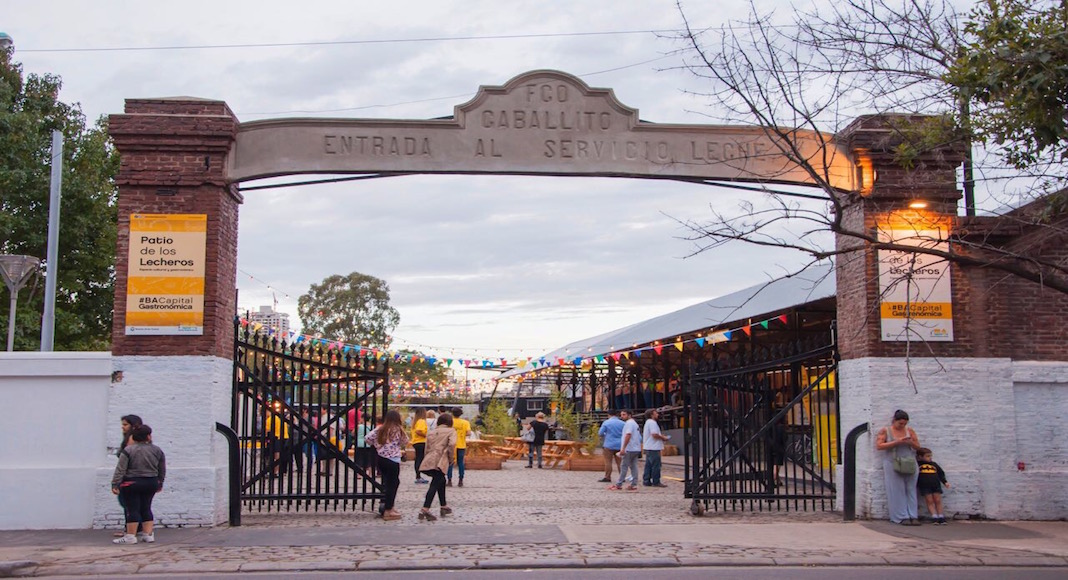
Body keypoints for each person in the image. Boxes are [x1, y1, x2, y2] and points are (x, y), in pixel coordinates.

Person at [111, 425, 165, 544]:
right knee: (146, 507)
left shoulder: (129, 450)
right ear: (148, 436)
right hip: (151, 482)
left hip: (132, 482)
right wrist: (160, 482)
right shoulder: (157, 450)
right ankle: (148, 534)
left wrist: (115, 484)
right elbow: (162, 469)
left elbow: (121, 469)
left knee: (132, 508)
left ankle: (131, 536)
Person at [875, 409, 922, 525]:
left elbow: (918, 447)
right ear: (894, 421)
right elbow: (879, 446)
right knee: (896, 489)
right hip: (892, 462)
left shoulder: (909, 431)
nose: (902, 426)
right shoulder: (885, 431)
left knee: (911, 488)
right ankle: (900, 516)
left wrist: (910, 442)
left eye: (905, 423)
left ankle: (913, 515)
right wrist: (897, 442)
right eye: (900, 423)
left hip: (909, 461)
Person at [365, 410, 409, 521]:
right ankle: (388, 509)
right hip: (393, 459)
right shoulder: (398, 429)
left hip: (381, 458)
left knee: (387, 482)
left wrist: (377, 445)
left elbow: (367, 438)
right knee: (392, 484)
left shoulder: (380, 428)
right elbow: (405, 441)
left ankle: (388, 505)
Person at [418, 413, 457, 521]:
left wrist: (426, 458)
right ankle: (425, 509)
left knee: (441, 481)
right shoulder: (451, 431)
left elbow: (427, 447)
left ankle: (443, 505)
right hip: (441, 459)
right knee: (435, 483)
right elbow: (452, 444)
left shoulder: (431, 431)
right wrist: (451, 458)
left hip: (430, 458)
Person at [113, 414, 143, 538]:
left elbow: (125, 457)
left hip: (129, 476)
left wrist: (116, 481)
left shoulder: (131, 439)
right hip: (137, 476)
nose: (123, 427)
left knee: (128, 503)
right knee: (135, 504)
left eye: (125, 425)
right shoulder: (141, 440)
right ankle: (136, 528)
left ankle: (132, 529)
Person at [917, 447, 950, 524]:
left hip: (935, 484)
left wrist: (945, 482)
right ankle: (934, 516)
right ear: (920, 457)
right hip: (925, 485)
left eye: (930, 456)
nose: (930, 458)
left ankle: (941, 516)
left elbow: (941, 473)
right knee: (929, 501)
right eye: (927, 456)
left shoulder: (934, 464)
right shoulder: (918, 465)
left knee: (937, 500)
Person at [611, 410, 642, 491]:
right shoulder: (634, 424)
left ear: (629, 415)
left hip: (629, 448)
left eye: (624, 414)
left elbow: (628, 435)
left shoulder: (629, 424)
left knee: (624, 466)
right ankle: (633, 484)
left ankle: (619, 484)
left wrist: (623, 448)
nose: (622, 416)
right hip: (635, 448)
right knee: (633, 466)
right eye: (621, 415)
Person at [641, 408, 670, 487]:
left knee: (648, 464)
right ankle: (656, 481)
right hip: (653, 447)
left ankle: (646, 480)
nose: (657, 414)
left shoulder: (648, 422)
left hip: (648, 446)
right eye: (656, 413)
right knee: (656, 465)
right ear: (652, 415)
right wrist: (663, 438)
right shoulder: (652, 423)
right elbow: (654, 434)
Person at [447, 407, 471, 487]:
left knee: (450, 462)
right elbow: (468, 433)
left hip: (451, 444)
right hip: (461, 444)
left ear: (452, 413)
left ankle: (449, 480)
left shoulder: (449, 422)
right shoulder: (465, 422)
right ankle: (460, 480)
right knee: (460, 462)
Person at [597, 410, 624, 483]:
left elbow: (600, 433)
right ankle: (622, 476)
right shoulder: (622, 423)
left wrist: (606, 434)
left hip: (608, 444)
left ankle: (607, 477)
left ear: (608, 415)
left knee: (608, 462)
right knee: (620, 462)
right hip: (620, 444)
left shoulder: (606, 422)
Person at [411, 408, 429, 484]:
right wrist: (426, 435)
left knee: (418, 458)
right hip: (421, 441)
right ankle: (418, 476)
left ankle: (418, 475)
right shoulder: (421, 421)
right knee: (420, 459)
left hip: (416, 442)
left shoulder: (415, 422)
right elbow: (418, 431)